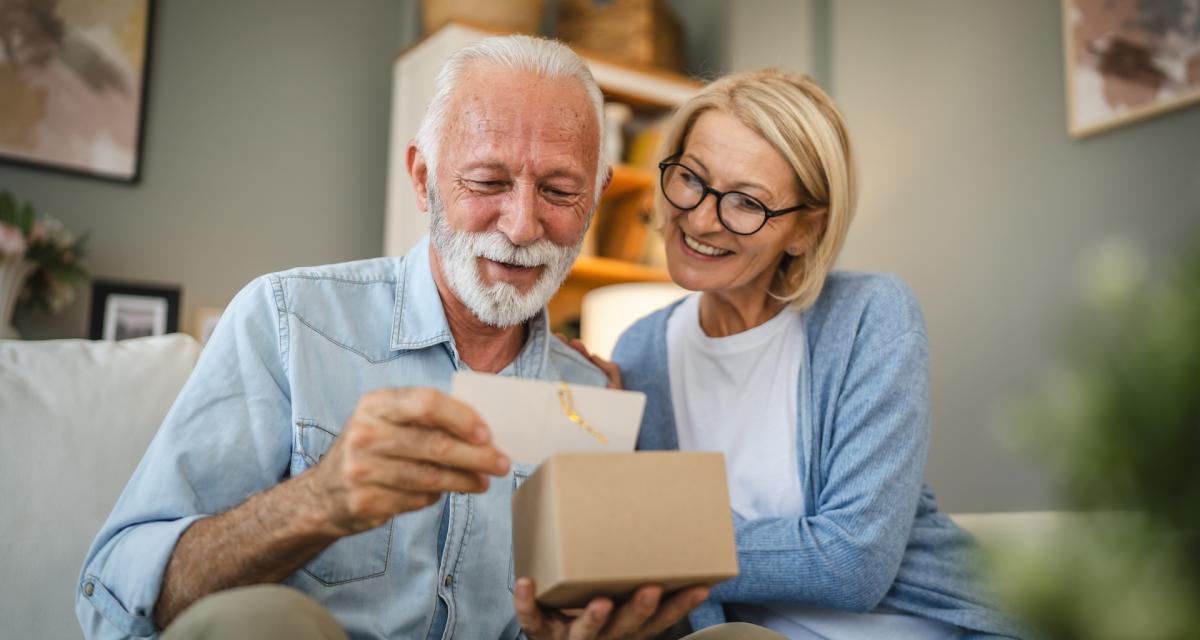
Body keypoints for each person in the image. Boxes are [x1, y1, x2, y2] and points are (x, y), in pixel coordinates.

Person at [75, 35, 709, 640]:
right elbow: (113, 594)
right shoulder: (287, 321)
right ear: (422, 178)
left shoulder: (592, 393)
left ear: (596, 197)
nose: (521, 227)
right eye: (487, 182)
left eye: (560, 190)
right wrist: (316, 503)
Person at [573, 70, 1026, 638]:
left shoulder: (871, 315)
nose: (701, 217)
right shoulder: (639, 350)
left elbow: (853, 565)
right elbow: (659, 583)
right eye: (691, 178)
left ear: (806, 231)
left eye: (746, 202)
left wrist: (664, 543)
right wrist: (608, 446)